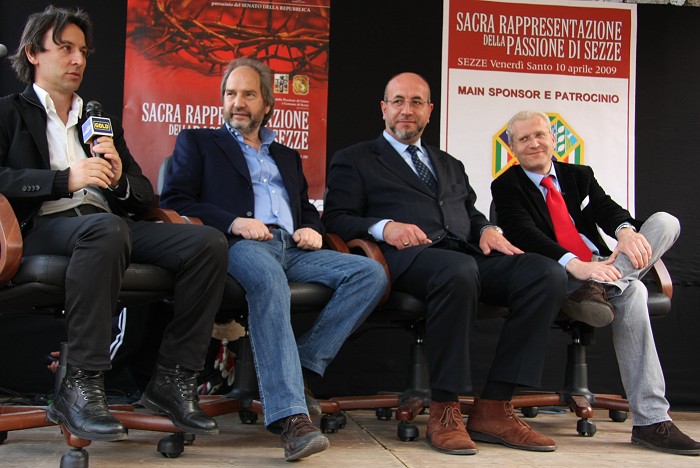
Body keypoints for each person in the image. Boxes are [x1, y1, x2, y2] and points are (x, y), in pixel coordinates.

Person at [1, 5, 228, 441]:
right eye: (65, 49)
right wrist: (63, 180)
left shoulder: (97, 119)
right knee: (106, 230)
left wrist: (120, 177)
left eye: (83, 51)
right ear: (33, 53)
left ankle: (173, 378)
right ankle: (81, 384)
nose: (78, 60)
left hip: (107, 226)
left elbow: (141, 193)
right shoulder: (8, 113)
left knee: (207, 243)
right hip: (41, 229)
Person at [323, 72, 568, 456]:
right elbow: (336, 219)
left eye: (416, 102)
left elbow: (469, 213)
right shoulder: (355, 159)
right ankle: (445, 407)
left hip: (462, 255)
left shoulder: (449, 163)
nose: (407, 110)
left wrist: (486, 228)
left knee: (546, 273)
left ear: (429, 111)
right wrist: (385, 227)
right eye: (398, 101)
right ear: (384, 108)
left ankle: (495, 406)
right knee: (457, 271)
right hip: (402, 261)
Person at [159, 57, 388, 461]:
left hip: (293, 247)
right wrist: (234, 222)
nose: (237, 102)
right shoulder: (198, 142)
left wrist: (311, 227)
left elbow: (305, 206)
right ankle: (292, 420)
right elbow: (176, 201)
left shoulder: (285, 155)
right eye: (231, 94)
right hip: (238, 246)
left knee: (370, 273)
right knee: (269, 280)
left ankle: (299, 367)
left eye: (248, 94)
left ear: (267, 103)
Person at [490, 110, 700, 456]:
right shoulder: (506, 185)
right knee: (634, 292)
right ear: (512, 147)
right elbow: (523, 234)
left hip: (604, 269)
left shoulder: (579, 175)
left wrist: (625, 231)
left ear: (553, 139)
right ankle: (651, 421)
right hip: (560, 274)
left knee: (665, 222)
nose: (534, 143)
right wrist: (578, 267)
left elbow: (606, 208)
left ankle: (607, 289)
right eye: (524, 138)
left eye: (539, 135)